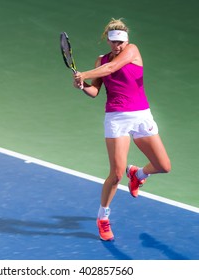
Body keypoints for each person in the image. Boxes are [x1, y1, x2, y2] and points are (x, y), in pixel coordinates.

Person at [73, 18, 171, 241]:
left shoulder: (132, 51)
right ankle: (103, 217)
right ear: (107, 40)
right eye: (114, 42)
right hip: (116, 118)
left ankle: (138, 173)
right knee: (116, 174)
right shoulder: (101, 60)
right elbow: (94, 92)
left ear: (127, 42)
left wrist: (85, 74)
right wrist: (82, 86)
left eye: (121, 42)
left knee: (163, 166)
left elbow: (113, 67)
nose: (118, 46)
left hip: (141, 115)